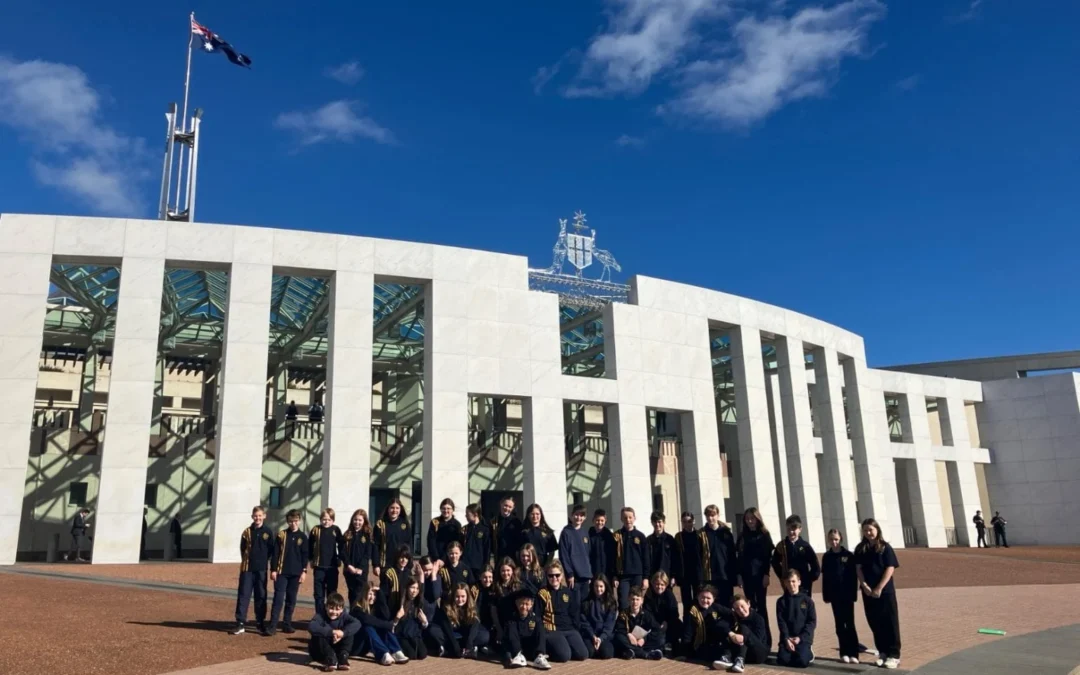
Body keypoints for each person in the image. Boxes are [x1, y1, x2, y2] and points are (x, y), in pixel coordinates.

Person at [855, 518, 901, 670]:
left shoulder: (885, 547)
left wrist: (879, 587)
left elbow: (890, 568)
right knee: (875, 622)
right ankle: (882, 652)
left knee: (890, 622)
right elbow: (858, 568)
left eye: (871, 530)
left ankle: (894, 655)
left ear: (877, 530)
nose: (869, 533)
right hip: (868, 592)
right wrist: (865, 585)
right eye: (866, 530)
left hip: (885, 592)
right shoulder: (861, 548)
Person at [230, 505, 275, 635]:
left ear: (264, 516)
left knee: (261, 595)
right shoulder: (247, 532)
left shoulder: (268, 532)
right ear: (252, 517)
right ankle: (240, 622)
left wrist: (264, 562)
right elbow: (242, 548)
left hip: (261, 569)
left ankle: (260, 622)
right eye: (255, 516)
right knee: (244, 595)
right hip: (247, 569)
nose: (258, 518)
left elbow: (271, 550)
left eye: (260, 515)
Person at [735, 507, 774, 645]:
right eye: (747, 519)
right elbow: (738, 558)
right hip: (746, 577)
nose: (750, 521)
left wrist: (766, 574)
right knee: (749, 608)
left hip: (760, 577)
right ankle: (753, 638)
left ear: (757, 519)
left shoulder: (764, 535)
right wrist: (739, 576)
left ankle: (766, 640)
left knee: (761, 608)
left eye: (752, 518)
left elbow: (768, 557)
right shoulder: (742, 536)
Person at [821, 528, 860, 663]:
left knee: (849, 623)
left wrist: (853, 595)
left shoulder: (848, 555)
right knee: (839, 624)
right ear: (828, 540)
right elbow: (825, 577)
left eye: (836, 539)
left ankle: (854, 652)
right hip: (834, 596)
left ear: (841, 539)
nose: (834, 542)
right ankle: (844, 651)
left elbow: (854, 577)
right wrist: (826, 595)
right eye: (831, 539)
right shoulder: (827, 557)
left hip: (847, 595)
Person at [536, 562, 588, 661]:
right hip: (552, 630)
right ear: (547, 576)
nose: (554, 578)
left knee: (583, 654)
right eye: (550, 575)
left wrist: (575, 628)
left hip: (569, 629)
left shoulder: (567, 592)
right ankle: (551, 650)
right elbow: (538, 616)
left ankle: (564, 646)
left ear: (562, 575)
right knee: (564, 656)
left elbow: (574, 613)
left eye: (557, 575)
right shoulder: (542, 593)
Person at [269, 509, 309, 635]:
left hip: (296, 573)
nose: (293, 524)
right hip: (282, 572)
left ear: (300, 521)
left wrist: (304, 571)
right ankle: (273, 625)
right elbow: (275, 554)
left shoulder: (303, 537)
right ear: (287, 521)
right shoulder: (282, 535)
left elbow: (305, 555)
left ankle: (287, 623)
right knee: (278, 599)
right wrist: (273, 569)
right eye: (291, 521)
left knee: (291, 599)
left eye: (296, 521)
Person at [351, 580, 409, 665]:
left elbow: (386, 616)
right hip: (356, 647)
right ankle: (383, 654)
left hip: (368, 645)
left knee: (383, 626)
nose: (372, 597)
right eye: (370, 593)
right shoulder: (357, 608)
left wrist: (381, 594)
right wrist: (389, 625)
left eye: (375, 594)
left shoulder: (375, 606)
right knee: (368, 626)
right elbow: (367, 620)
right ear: (364, 593)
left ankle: (396, 651)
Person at [713, 594, 770, 673]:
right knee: (727, 631)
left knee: (743, 629)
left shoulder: (758, 618)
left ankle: (740, 660)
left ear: (748, 604)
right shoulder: (734, 617)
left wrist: (743, 638)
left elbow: (758, 639)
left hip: (758, 653)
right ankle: (727, 658)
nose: (741, 610)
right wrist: (731, 634)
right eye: (737, 608)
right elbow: (720, 624)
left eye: (742, 606)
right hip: (745, 655)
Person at [430, 582, 489, 657]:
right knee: (433, 631)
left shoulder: (473, 607)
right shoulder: (446, 606)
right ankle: (459, 648)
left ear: (467, 596)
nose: (460, 599)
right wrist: (454, 646)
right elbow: (446, 628)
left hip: (466, 635)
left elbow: (475, 626)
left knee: (484, 635)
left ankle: (463, 648)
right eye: (457, 596)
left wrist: (469, 644)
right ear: (453, 596)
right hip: (451, 633)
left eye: (463, 596)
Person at [308, 592, 361, 672]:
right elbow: (311, 626)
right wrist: (332, 632)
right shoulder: (320, 615)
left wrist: (343, 633)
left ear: (342, 609)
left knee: (349, 631)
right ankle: (331, 659)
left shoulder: (344, 616)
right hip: (320, 651)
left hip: (337, 648)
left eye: (337, 609)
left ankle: (343, 657)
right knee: (318, 634)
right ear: (326, 607)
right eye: (331, 608)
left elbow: (357, 623)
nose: (334, 612)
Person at [771, 514, 820, 597]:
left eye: (794, 529)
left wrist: (810, 577)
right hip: (789, 583)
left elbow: (814, 562)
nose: (791, 532)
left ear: (800, 529)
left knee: (804, 605)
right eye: (789, 529)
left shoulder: (805, 546)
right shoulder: (782, 546)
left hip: (804, 584)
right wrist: (782, 575)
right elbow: (775, 562)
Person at [775, 569, 816, 668]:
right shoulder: (781, 602)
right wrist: (786, 638)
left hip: (802, 638)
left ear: (799, 582)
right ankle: (794, 652)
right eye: (788, 582)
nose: (791, 584)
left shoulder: (807, 601)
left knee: (802, 662)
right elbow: (781, 622)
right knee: (782, 660)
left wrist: (800, 638)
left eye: (793, 581)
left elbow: (812, 622)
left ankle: (808, 651)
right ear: (784, 583)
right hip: (788, 638)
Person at [681, 585, 731, 665]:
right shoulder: (693, 611)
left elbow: (731, 613)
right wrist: (685, 653)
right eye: (702, 597)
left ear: (713, 599)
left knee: (723, 625)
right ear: (697, 597)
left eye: (708, 598)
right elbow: (688, 632)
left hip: (714, 642)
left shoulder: (715, 607)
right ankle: (724, 658)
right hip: (700, 645)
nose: (705, 600)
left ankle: (726, 657)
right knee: (712, 652)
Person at [503, 588, 552, 669]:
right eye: (521, 603)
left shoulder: (535, 618)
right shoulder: (512, 619)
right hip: (517, 649)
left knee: (541, 628)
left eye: (527, 604)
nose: (524, 607)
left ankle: (540, 657)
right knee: (511, 628)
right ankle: (518, 656)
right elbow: (509, 638)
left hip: (531, 649)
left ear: (531, 604)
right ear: (516, 603)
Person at [699, 505, 737, 606]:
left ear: (718, 515)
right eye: (708, 515)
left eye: (713, 515)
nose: (710, 518)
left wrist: (735, 575)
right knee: (711, 604)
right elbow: (698, 557)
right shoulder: (701, 534)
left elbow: (732, 555)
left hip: (725, 575)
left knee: (727, 603)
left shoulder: (726, 533)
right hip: (709, 576)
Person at [613, 507, 651, 609]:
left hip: (637, 575)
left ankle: (636, 624)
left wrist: (646, 577)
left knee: (636, 602)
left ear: (634, 518)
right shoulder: (617, 536)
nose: (628, 520)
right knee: (624, 603)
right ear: (621, 519)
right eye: (625, 518)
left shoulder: (641, 536)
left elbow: (646, 558)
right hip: (623, 576)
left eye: (630, 517)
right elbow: (613, 557)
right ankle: (624, 624)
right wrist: (615, 576)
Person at [613, 585, 665, 660]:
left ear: (642, 601)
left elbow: (656, 629)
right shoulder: (623, 614)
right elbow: (619, 629)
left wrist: (644, 638)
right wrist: (628, 635)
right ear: (628, 599)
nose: (635, 602)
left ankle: (631, 651)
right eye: (632, 599)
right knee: (618, 637)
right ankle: (645, 654)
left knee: (661, 639)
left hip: (642, 643)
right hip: (629, 641)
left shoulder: (647, 614)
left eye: (637, 599)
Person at [310, 508, 344, 617]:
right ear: (320, 519)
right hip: (319, 567)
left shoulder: (336, 530)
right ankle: (320, 616)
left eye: (329, 519)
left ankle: (331, 616)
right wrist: (311, 559)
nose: (326, 521)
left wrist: (339, 559)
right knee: (319, 595)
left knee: (332, 593)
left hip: (332, 568)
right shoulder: (316, 530)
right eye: (324, 519)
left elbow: (342, 546)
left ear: (333, 520)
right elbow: (309, 545)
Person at [557, 504, 592, 605]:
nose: (578, 517)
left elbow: (588, 554)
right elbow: (564, 555)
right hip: (574, 577)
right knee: (574, 604)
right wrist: (570, 573)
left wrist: (589, 574)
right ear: (572, 515)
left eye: (581, 515)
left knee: (585, 604)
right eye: (576, 515)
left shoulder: (585, 533)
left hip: (585, 575)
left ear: (584, 518)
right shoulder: (566, 532)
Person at [341, 509, 375, 607]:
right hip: (349, 570)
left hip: (361, 571)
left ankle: (359, 614)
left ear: (364, 521)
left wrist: (360, 568)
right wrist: (349, 565)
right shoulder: (347, 534)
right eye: (355, 520)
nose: (357, 522)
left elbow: (367, 554)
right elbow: (343, 552)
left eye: (360, 520)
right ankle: (352, 614)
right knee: (351, 593)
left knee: (359, 593)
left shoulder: (367, 535)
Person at [579, 575, 618, 660]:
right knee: (589, 652)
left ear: (605, 586)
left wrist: (601, 638)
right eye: (596, 586)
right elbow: (584, 622)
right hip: (590, 635)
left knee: (607, 653)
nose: (598, 589)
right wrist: (593, 636)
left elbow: (609, 624)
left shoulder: (611, 602)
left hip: (604, 636)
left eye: (601, 586)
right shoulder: (586, 602)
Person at [394, 576, 433, 660]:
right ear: (407, 588)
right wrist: (397, 618)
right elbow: (393, 626)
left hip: (415, 635)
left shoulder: (420, 603)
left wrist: (425, 621)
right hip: (402, 635)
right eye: (412, 587)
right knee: (411, 655)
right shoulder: (400, 602)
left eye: (417, 588)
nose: (414, 591)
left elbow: (424, 626)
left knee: (422, 654)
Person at [644, 571, 681, 653]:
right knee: (658, 639)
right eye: (657, 584)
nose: (659, 587)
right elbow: (647, 613)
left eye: (662, 585)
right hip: (654, 625)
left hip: (668, 624)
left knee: (678, 624)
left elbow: (674, 612)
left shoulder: (669, 594)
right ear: (652, 584)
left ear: (666, 585)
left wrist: (666, 622)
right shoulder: (648, 595)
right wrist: (657, 625)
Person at [673, 511, 702, 611]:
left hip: (698, 572)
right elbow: (675, 556)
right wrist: (676, 574)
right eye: (684, 522)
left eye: (689, 521)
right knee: (686, 601)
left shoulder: (700, 535)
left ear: (693, 521)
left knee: (698, 599)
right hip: (684, 573)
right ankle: (687, 624)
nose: (687, 524)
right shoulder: (678, 536)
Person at [375, 498, 412, 572]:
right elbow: (375, 546)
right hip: (385, 564)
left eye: (397, 508)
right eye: (392, 508)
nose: (394, 510)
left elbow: (409, 544)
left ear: (400, 509)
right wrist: (376, 564)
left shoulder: (404, 524)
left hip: (401, 563)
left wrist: (409, 561)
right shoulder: (380, 524)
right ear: (388, 509)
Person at [428, 498, 463, 567]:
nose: (446, 510)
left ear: (452, 510)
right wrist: (436, 558)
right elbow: (431, 540)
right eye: (443, 508)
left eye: (448, 508)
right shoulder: (435, 522)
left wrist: (444, 558)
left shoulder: (457, 524)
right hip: (435, 558)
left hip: (450, 558)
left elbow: (456, 543)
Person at [462, 504, 493, 581]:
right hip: (466, 564)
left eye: (468, 514)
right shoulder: (465, 529)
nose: (465, 516)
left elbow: (487, 548)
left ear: (475, 514)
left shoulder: (485, 529)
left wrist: (486, 564)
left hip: (479, 565)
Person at [475, 566, 502, 653]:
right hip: (477, 621)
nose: (487, 580)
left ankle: (482, 645)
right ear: (480, 577)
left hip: (490, 623)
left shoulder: (495, 589)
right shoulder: (475, 589)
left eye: (490, 577)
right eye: (485, 577)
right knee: (484, 637)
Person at [382, 545, 416, 611]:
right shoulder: (389, 573)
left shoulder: (409, 573)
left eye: (406, 558)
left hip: (405, 608)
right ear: (397, 557)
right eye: (402, 557)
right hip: (392, 608)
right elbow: (384, 594)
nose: (404, 560)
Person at [588, 509, 616, 585]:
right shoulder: (588, 535)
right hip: (593, 572)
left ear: (605, 521)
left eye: (602, 520)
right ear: (593, 520)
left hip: (607, 572)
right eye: (597, 520)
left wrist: (614, 574)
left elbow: (613, 555)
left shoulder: (609, 535)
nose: (599, 522)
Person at [492, 495, 523, 562]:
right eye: (505, 505)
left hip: (513, 558)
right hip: (498, 557)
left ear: (513, 508)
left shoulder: (516, 522)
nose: (507, 508)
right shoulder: (493, 521)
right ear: (501, 504)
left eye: (510, 507)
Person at [647, 511, 675, 579]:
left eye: (659, 522)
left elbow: (674, 559)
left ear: (664, 522)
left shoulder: (670, 539)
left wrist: (673, 576)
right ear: (652, 523)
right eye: (655, 522)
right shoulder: (648, 540)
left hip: (667, 575)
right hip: (653, 576)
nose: (657, 524)